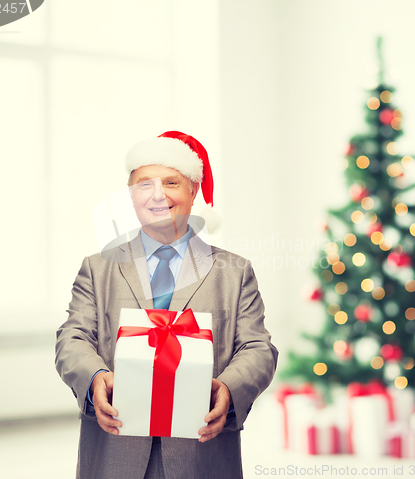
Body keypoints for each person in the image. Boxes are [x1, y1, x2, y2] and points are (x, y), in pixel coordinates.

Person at [55, 131, 278, 479]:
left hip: (201, 452)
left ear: (193, 191)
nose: (158, 194)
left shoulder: (234, 272)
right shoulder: (98, 268)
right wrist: (95, 376)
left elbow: (257, 347)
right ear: (131, 196)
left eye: (171, 182)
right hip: (116, 450)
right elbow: (72, 338)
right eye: (145, 184)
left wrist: (230, 389)